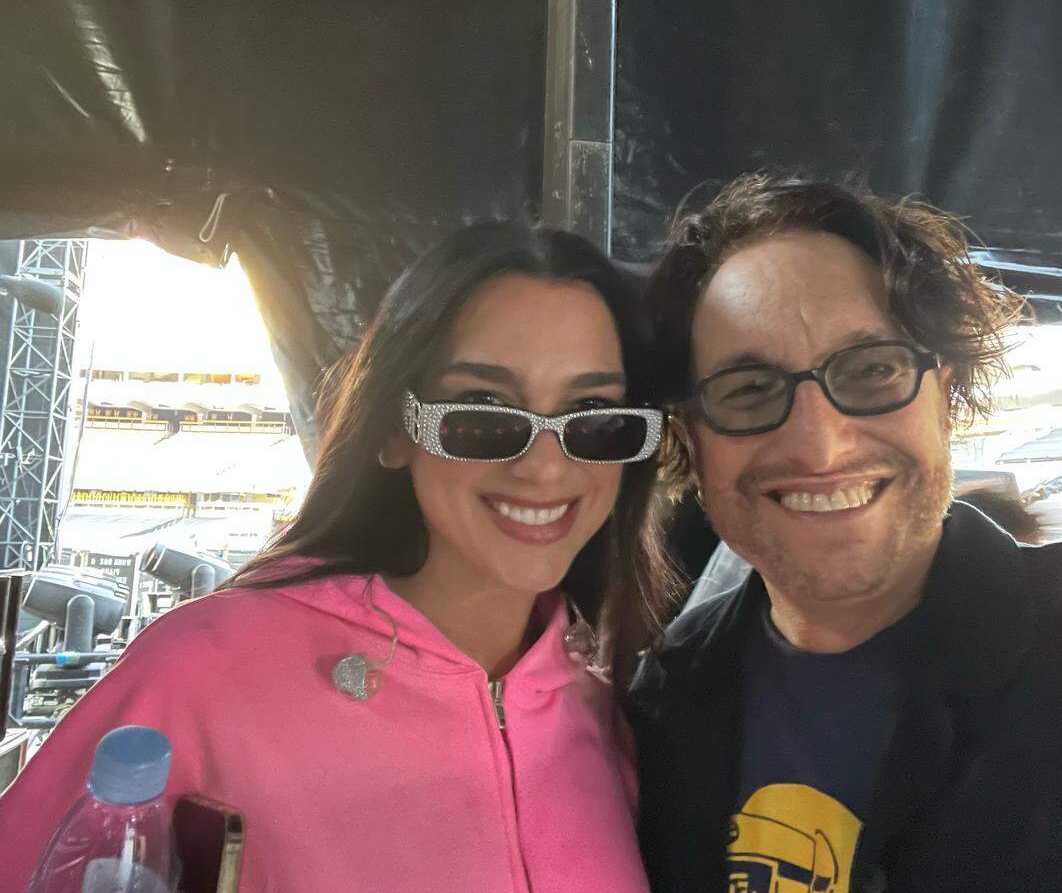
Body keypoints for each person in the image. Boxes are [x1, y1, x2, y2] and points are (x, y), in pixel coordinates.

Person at [1, 224, 678, 892]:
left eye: (593, 416)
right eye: (484, 411)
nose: (543, 467)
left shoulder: (602, 711)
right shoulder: (205, 667)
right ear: (393, 429)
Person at [630, 173, 1062, 892]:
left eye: (871, 370)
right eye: (748, 390)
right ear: (692, 436)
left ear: (946, 395)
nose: (818, 445)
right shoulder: (664, 703)